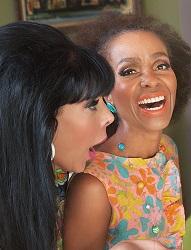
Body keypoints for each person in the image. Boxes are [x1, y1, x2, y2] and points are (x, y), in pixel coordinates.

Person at [63, 13, 191, 249]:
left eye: (161, 65)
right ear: (104, 92)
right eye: (128, 71)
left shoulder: (167, 148)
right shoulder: (92, 186)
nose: (151, 80)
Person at [0, 22, 115, 250]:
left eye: (105, 101)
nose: (108, 117)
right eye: (91, 104)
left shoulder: (55, 180)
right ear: (37, 115)